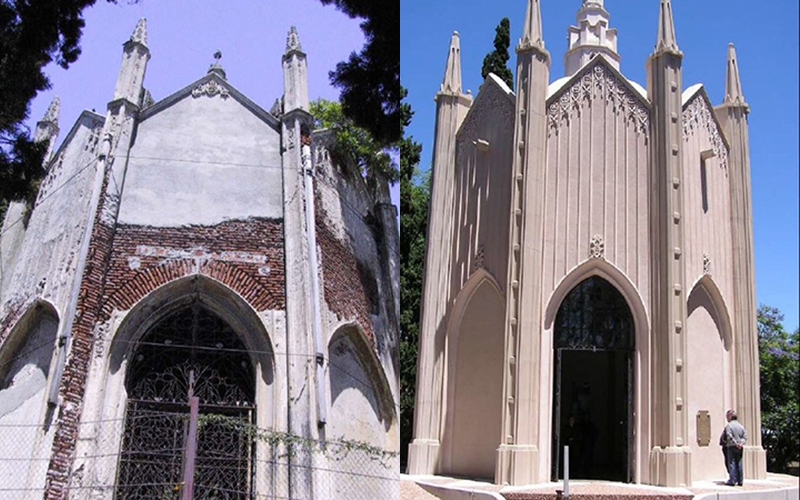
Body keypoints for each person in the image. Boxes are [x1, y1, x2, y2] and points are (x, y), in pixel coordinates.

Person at [724, 409, 746, 486]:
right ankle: (740, 480)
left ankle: (732, 480)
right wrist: (741, 443)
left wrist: (736, 443)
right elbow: (745, 437)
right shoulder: (741, 426)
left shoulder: (729, 426)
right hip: (740, 447)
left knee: (732, 463)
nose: (726, 418)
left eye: (727, 416)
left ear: (730, 417)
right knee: (739, 463)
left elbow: (729, 436)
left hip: (732, 447)